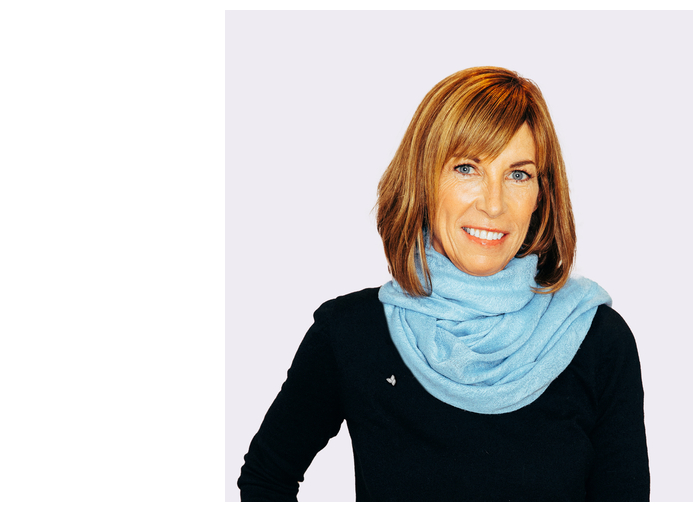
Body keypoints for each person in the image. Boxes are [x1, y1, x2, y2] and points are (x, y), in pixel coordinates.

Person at [238, 66, 650, 501]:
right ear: (424, 180)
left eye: (518, 174)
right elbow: (266, 481)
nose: (493, 204)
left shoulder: (597, 340)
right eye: (467, 168)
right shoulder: (349, 334)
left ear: (541, 195)